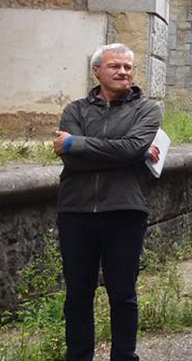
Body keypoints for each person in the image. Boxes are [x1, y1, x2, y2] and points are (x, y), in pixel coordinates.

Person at [53, 43, 163, 361]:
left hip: (125, 210)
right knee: (77, 294)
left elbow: (130, 147)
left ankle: (124, 356)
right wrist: (129, 153)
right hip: (76, 210)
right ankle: (78, 356)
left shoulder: (147, 109)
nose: (123, 72)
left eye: (128, 67)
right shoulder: (74, 110)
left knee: (123, 293)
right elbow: (74, 162)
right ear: (97, 71)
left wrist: (77, 144)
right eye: (115, 66)